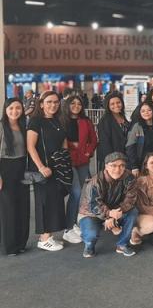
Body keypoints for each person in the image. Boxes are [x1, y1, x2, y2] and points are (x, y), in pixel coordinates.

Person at [26, 90, 68, 251]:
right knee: (43, 202)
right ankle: (43, 238)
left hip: (56, 167)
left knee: (54, 201)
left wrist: (63, 164)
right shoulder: (35, 121)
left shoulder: (57, 121)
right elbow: (30, 146)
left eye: (56, 102)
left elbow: (63, 143)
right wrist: (41, 167)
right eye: (49, 102)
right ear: (42, 104)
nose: (53, 105)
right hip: (42, 169)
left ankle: (48, 236)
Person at [78, 152, 138, 257]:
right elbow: (94, 205)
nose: (117, 169)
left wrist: (116, 213)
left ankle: (122, 244)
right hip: (91, 213)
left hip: (115, 210)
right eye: (113, 165)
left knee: (133, 212)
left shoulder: (129, 178)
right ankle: (89, 245)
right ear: (106, 166)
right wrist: (109, 214)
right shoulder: (96, 181)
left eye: (121, 165)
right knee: (91, 235)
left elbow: (130, 200)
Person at [61, 95, 98, 245]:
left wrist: (88, 151)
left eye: (79, 103)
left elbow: (93, 139)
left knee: (81, 193)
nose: (76, 106)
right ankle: (67, 229)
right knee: (75, 192)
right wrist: (72, 149)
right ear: (67, 105)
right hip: (68, 160)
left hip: (82, 160)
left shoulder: (86, 121)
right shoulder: (61, 120)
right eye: (73, 103)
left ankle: (73, 224)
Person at [0, 98, 29, 255]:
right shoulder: (1, 127)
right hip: (5, 169)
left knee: (22, 207)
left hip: (21, 168)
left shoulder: (23, 126)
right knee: (9, 209)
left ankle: (21, 243)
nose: (14, 111)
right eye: (11, 108)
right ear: (5, 110)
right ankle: (10, 246)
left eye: (18, 108)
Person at [126, 102, 153, 176]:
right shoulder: (137, 127)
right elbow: (130, 147)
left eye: (149, 110)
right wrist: (134, 166)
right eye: (143, 111)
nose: (146, 113)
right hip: (141, 163)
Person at [97, 92, 130, 170]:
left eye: (118, 102)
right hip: (112, 161)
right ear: (108, 106)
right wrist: (113, 161)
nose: (116, 105)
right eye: (112, 104)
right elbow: (105, 143)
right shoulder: (105, 121)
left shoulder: (122, 117)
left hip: (124, 157)